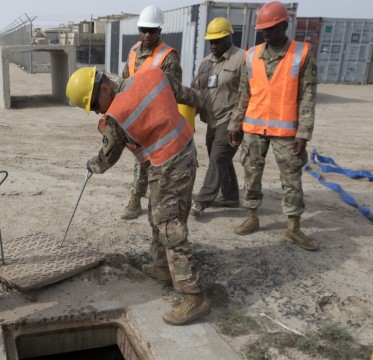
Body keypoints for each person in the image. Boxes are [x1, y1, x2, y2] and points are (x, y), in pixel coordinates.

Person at [66, 66, 212, 325]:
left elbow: (107, 158)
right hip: (184, 154)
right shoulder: (153, 76)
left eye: (95, 105)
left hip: (168, 165)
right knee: (158, 215)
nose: (98, 111)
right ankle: (164, 267)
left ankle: (194, 296)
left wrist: (92, 164)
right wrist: (209, 107)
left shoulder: (116, 116)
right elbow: (189, 96)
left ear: (105, 88)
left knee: (169, 227)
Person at [227, 1, 318, 250]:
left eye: (271, 28)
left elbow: (308, 95)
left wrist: (304, 132)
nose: (265, 33)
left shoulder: (301, 54)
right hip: (254, 129)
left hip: (287, 133)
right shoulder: (251, 55)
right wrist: (235, 125)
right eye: (263, 29)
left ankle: (293, 228)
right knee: (251, 173)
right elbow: (243, 94)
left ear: (284, 25)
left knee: (291, 179)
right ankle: (252, 216)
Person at [121, 4, 183, 221]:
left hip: (157, 121)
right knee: (139, 159)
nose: (147, 34)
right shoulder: (133, 52)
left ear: (160, 31)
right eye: (144, 29)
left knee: (160, 163)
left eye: (152, 30)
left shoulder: (168, 57)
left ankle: (160, 202)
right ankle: (136, 199)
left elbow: (174, 91)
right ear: (139, 28)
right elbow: (124, 81)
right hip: (134, 119)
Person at [190, 18, 245, 218]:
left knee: (217, 159)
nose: (214, 45)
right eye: (211, 42)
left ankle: (202, 201)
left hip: (231, 121)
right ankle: (230, 196)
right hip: (212, 121)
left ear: (229, 37)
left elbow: (249, 92)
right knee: (221, 158)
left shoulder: (241, 59)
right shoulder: (206, 63)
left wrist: (238, 124)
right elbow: (196, 91)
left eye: (219, 41)